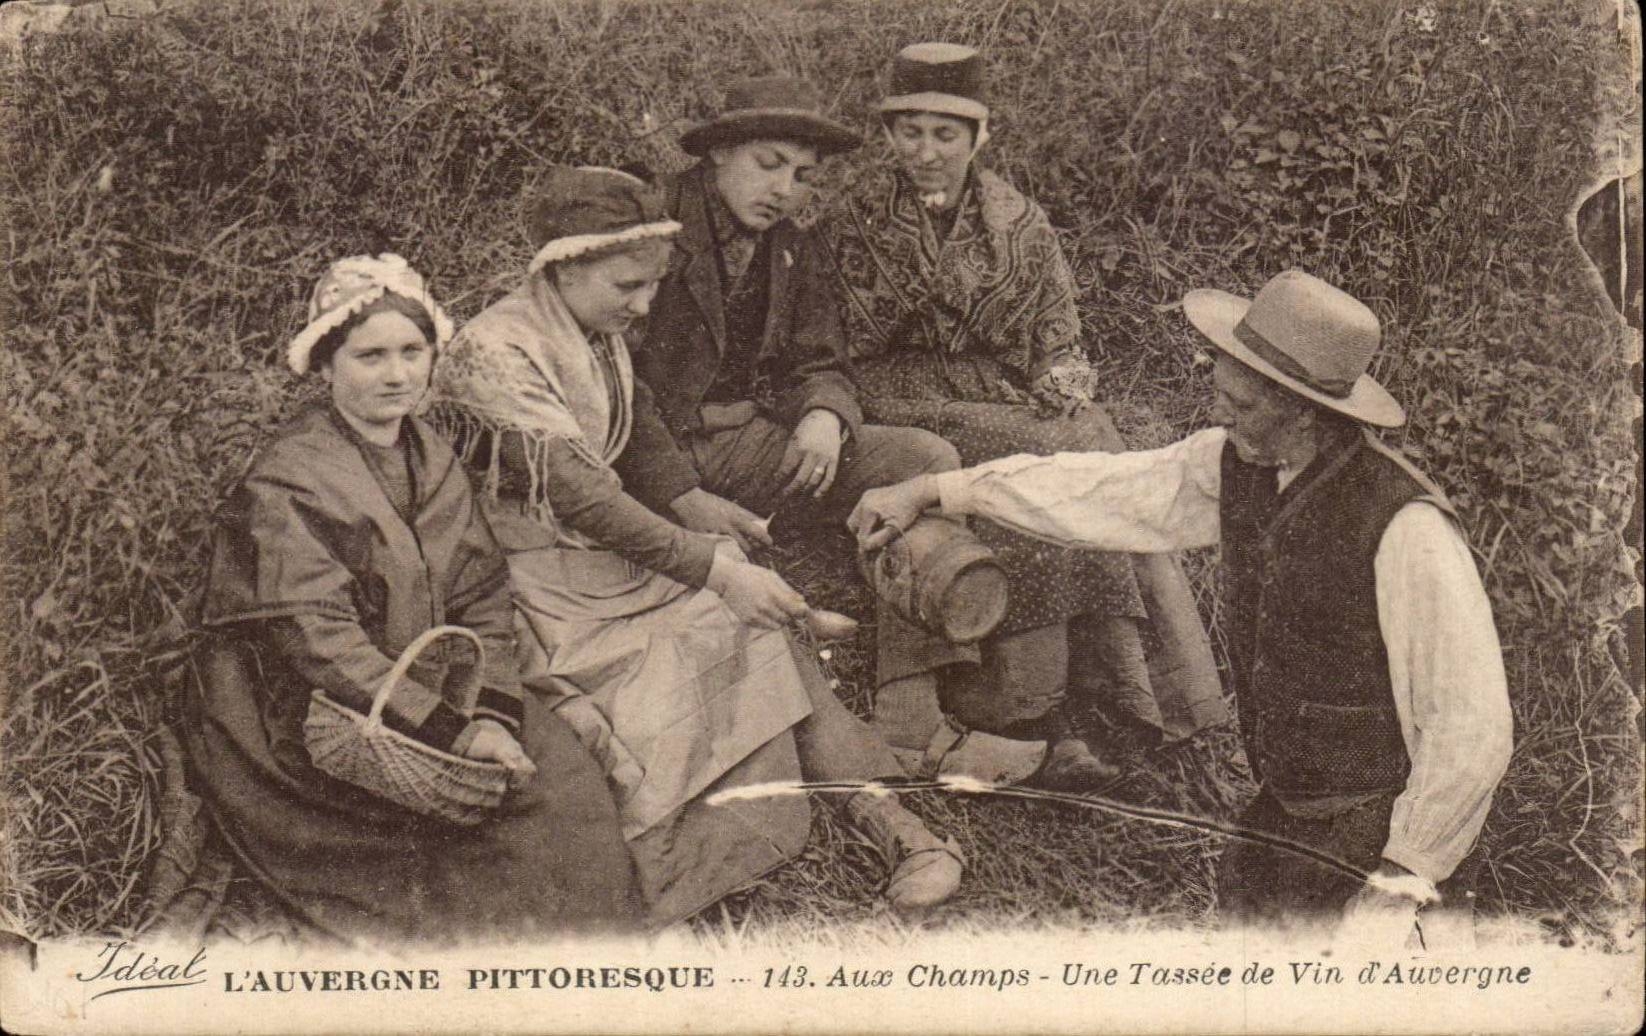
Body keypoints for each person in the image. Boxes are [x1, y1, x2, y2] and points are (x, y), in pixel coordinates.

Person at [849, 269, 1514, 926]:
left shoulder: (1406, 527)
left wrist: (1405, 874)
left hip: (1386, 833)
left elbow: (1470, 725)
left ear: (1306, 411)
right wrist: (937, 491)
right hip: (1289, 808)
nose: (1219, 412)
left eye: (1242, 404)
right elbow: (1102, 490)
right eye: (1219, 391)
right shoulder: (1240, 463)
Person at [427, 166, 964, 927]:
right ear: (565, 264)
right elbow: (582, 494)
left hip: (581, 561)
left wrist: (695, 505)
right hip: (515, 585)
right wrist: (707, 566)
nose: (645, 304)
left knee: (748, 618)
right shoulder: (495, 352)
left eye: (653, 285)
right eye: (628, 285)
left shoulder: (587, 325)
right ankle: (694, 873)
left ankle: (898, 829)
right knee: (716, 619)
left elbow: (633, 419)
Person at [626, 74, 1094, 785]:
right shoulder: (652, 229)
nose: (785, 187)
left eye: (803, 174)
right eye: (768, 163)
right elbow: (612, 385)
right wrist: (684, 496)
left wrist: (824, 412)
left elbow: (823, 358)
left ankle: (909, 713)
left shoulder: (792, 243)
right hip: (660, 455)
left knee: (919, 459)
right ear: (717, 154)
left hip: (750, 440)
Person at [182, 255, 643, 944]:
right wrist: (451, 731)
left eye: (412, 352)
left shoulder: (432, 455)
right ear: (326, 367)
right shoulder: (289, 480)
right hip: (311, 707)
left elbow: (481, 588)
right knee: (431, 846)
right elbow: (319, 641)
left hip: (426, 669)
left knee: (561, 784)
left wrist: (489, 708)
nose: (396, 375)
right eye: (369, 357)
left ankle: (590, 943)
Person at [819, 43, 1227, 777]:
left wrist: (1062, 383)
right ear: (888, 137)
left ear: (980, 137)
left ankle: (1136, 690)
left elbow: (1057, 335)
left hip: (998, 391)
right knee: (1037, 453)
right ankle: (1032, 706)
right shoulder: (853, 221)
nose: (926, 152)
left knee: (1092, 438)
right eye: (909, 132)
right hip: (897, 394)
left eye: (946, 135)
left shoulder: (1022, 222)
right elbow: (828, 344)